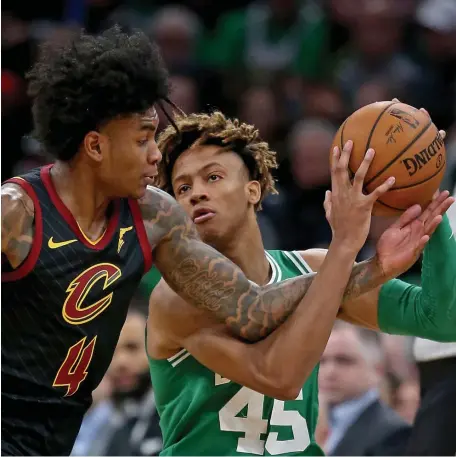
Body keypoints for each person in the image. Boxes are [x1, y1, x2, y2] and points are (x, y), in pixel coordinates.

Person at [1, 26, 395, 456]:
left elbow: (252, 310)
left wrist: (373, 267)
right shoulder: (16, 213)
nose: (156, 154)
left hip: (56, 432)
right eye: (142, 138)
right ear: (96, 145)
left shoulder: (154, 215)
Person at [147, 111, 455, 455]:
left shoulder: (312, 267)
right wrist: (346, 249)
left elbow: (441, 320)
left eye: (213, 177)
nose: (196, 194)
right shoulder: (177, 297)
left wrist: (430, 196)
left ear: (253, 189)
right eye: (183, 187)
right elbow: (279, 377)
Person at [320, 322, 410, 456]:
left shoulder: (392, 434)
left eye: (344, 360)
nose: (329, 371)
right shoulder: (318, 426)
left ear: (377, 369)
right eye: (321, 361)